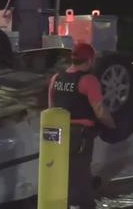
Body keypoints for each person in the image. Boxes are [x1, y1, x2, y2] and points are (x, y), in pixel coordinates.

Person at [48, 42, 116, 209]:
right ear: (90, 60)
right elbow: (100, 111)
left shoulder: (56, 78)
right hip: (79, 136)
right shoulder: (88, 80)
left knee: (59, 174)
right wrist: (114, 126)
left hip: (55, 134)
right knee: (81, 176)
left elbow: (50, 109)